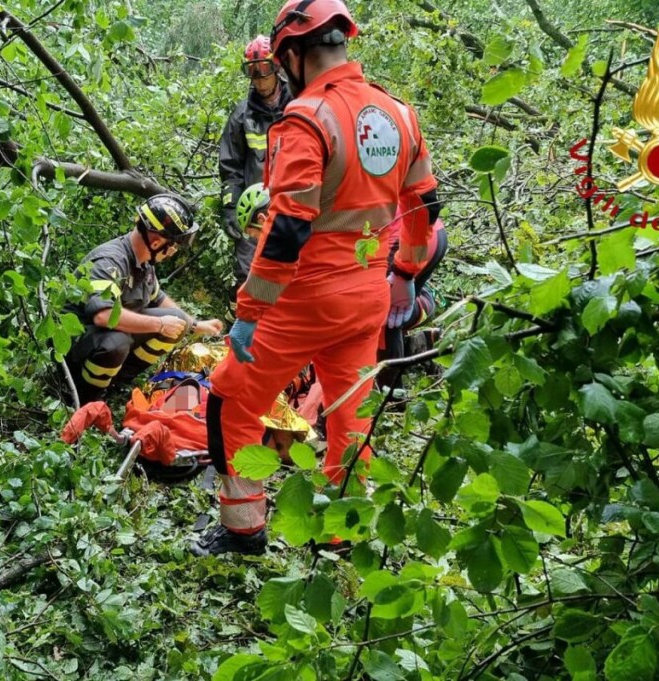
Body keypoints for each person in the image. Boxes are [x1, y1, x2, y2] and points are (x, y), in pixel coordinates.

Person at [192, 0, 440, 557]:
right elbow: (425, 205)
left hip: (303, 303)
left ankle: (243, 530)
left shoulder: (306, 118)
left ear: (293, 54)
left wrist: (248, 314)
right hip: (369, 296)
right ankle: (341, 536)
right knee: (349, 419)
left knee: (230, 399)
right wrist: (405, 274)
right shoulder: (399, 113)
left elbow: (285, 231)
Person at [65, 194, 224, 406]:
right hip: (76, 342)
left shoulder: (143, 263)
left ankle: (115, 384)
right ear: (157, 241)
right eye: (174, 245)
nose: (173, 251)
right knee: (117, 343)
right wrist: (159, 324)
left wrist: (195, 325)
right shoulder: (111, 261)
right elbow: (103, 316)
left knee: (177, 321)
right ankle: (84, 400)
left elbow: (157, 298)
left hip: (105, 335)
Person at [219, 36, 292, 317]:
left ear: (277, 68)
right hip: (254, 211)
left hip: (295, 204)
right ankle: (248, 327)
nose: (259, 81)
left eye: (263, 72)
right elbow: (230, 166)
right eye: (252, 73)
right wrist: (229, 207)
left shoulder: (298, 103)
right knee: (248, 270)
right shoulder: (242, 115)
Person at [377, 208, 448, 390]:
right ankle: (424, 308)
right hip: (426, 229)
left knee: (382, 318)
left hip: (406, 236)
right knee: (389, 315)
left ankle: (390, 403)